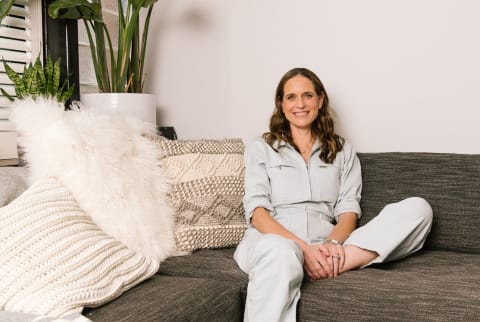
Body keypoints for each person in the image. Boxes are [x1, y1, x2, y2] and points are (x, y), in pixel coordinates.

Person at [233, 67, 433, 322]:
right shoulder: (261, 148)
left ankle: (328, 263)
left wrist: (331, 247)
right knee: (281, 253)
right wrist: (303, 250)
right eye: (291, 97)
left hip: (327, 244)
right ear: (281, 105)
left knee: (419, 209)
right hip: (271, 241)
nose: (300, 104)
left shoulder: (342, 150)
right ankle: (303, 262)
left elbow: (348, 212)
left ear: (320, 100)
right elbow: (257, 214)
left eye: (307, 95)